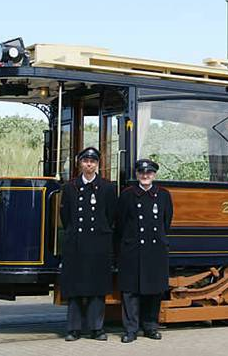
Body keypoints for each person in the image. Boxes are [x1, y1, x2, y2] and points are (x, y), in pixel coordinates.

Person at [59, 146, 116, 342]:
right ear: (80, 163)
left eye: (92, 161)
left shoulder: (108, 188)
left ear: (97, 164)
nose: (89, 164)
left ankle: (96, 328)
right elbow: (65, 217)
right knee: (74, 287)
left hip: (98, 244)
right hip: (76, 244)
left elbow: (111, 216)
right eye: (85, 161)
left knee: (97, 287)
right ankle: (73, 329)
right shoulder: (70, 187)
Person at [116, 159, 174, 343]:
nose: (145, 175)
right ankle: (131, 330)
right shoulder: (127, 195)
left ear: (154, 174)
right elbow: (121, 224)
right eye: (142, 172)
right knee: (130, 292)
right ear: (137, 174)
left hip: (155, 249)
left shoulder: (163, 195)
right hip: (133, 249)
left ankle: (150, 327)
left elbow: (166, 222)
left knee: (154, 290)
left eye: (149, 173)